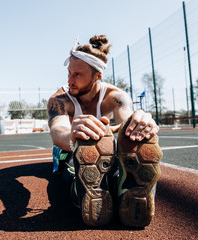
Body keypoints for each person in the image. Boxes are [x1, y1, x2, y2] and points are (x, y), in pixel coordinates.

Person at [47, 35, 162, 227]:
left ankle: (129, 191)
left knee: (130, 142)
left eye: (77, 74)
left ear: (97, 76)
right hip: (68, 147)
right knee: (70, 163)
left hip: (105, 146)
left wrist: (140, 124)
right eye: (69, 73)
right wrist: (72, 136)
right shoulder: (59, 100)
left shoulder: (116, 97)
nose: (70, 80)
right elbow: (58, 129)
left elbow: (126, 122)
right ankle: (82, 189)